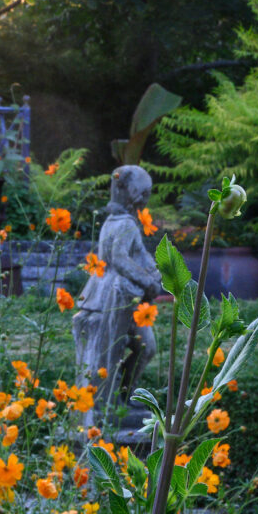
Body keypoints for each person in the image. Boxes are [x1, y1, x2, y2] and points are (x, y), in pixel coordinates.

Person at [72, 165, 161, 420]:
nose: (146, 199)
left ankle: (124, 396)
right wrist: (149, 282)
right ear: (134, 194)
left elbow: (138, 253)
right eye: (144, 193)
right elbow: (118, 258)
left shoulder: (123, 222)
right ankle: (109, 405)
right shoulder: (122, 224)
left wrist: (154, 270)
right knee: (110, 352)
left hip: (121, 296)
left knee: (146, 347)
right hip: (113, 296)